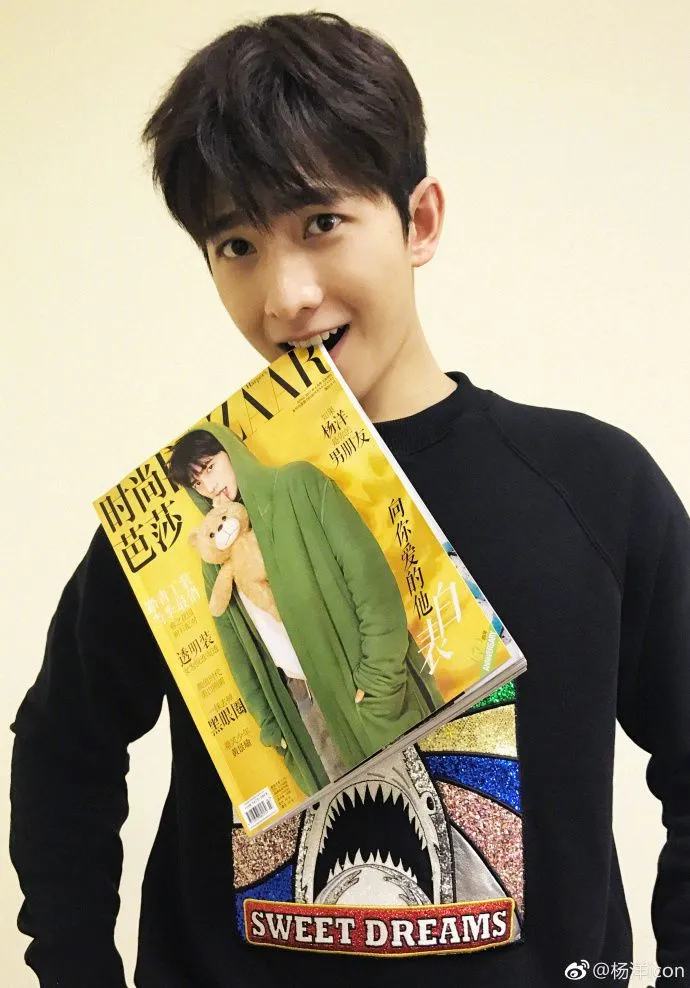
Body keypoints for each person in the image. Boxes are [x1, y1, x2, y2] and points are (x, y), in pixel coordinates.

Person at [9, 10, 690, 988]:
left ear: (419, 221)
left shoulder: (595, 484)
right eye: (236, 244)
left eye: (320, 223)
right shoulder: (177, 521)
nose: (285, 295)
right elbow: (63, 748)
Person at [165, 424, 443, 793]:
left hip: (362, 684)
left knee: (432, 798)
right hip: (303, 708)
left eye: (210, 467)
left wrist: (380, 680)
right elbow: (238, 654)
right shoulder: (215, 558)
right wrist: (274, 729)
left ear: (231, 450)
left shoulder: (297, 485)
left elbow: (370, 581)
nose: (210, 487)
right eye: (197, 483)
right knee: (361, 821)